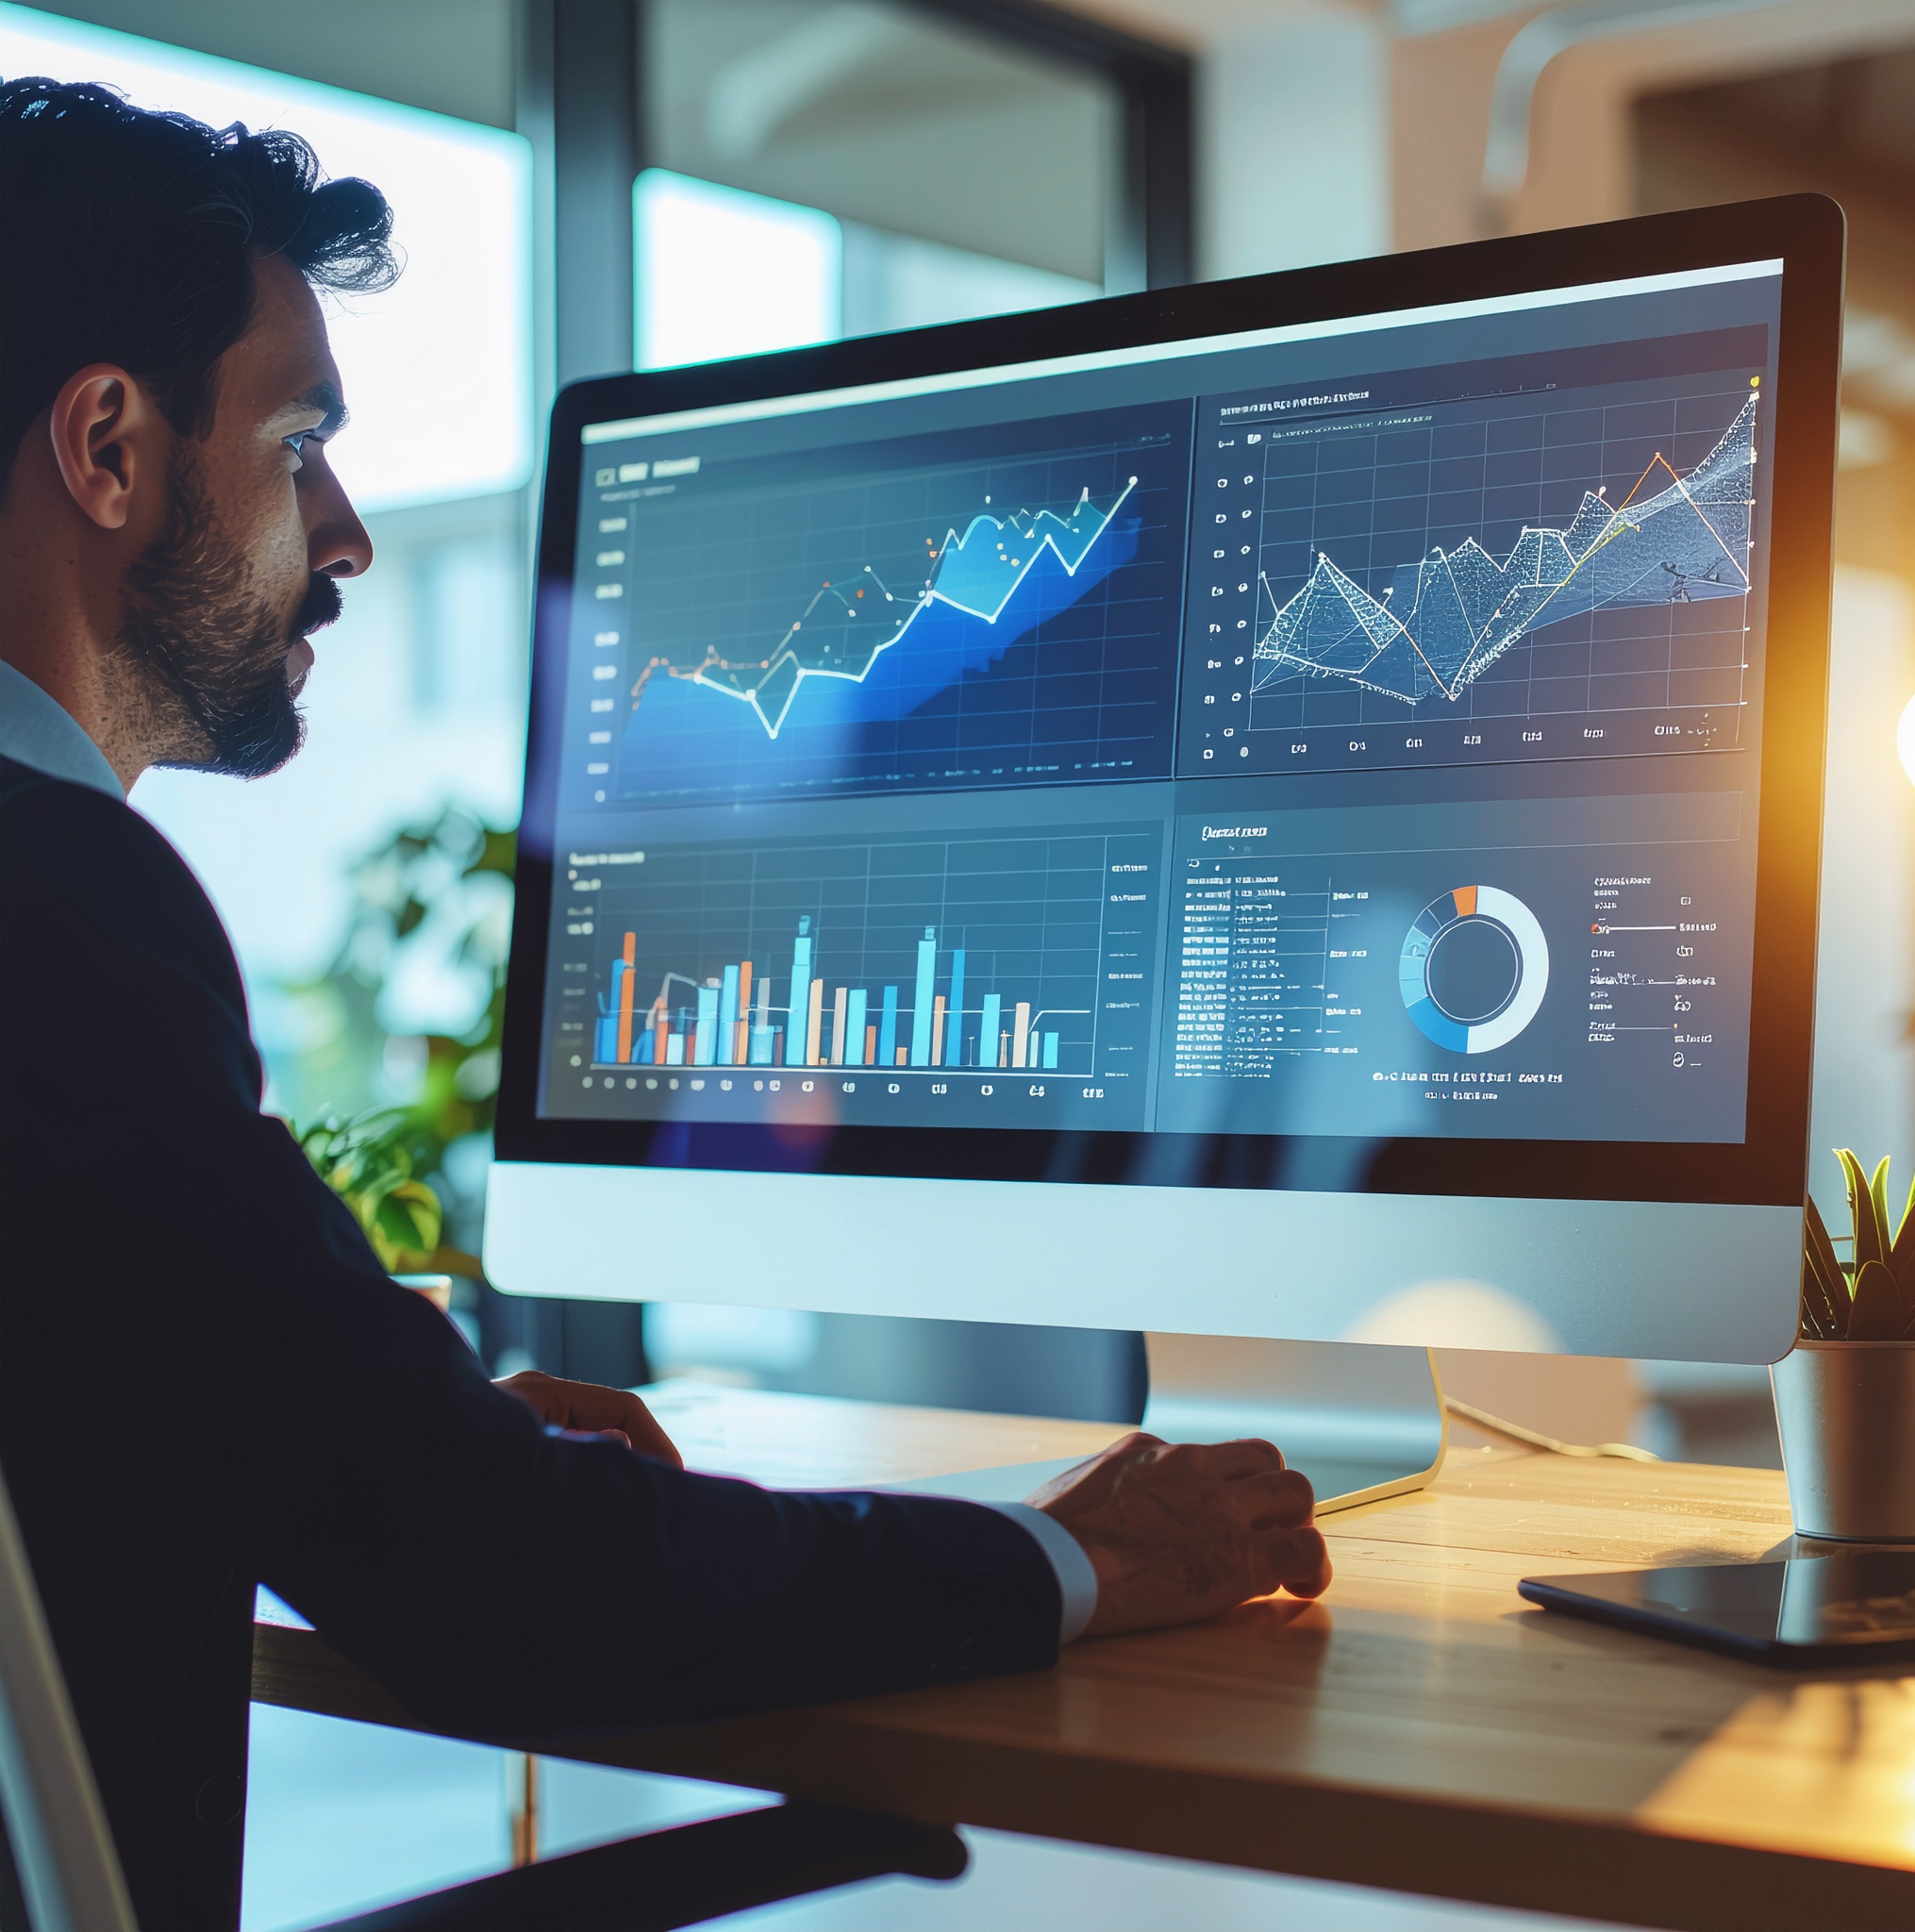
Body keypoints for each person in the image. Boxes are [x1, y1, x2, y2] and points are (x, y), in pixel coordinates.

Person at [0, 79, 1331, 1931]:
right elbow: (511, 1595)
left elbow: (102, 1394)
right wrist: (1068, 1558)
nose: (351, 530)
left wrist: (387, 1431)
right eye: (296, 440)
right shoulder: (63, 916)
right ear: (109, 447)